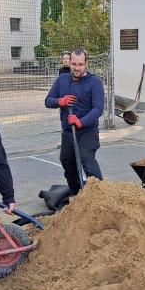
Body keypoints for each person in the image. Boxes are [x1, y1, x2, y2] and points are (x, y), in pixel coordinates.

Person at [44, 47, 104, 195]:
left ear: (86, 64)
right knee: (67, 161)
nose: (77, 68)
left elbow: (98, 109)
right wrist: (61, 101)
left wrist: (81, 121)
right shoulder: (62, 80)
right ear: (69, 63)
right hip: (67, 132)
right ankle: (77, 194)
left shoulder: (94, 82)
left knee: (86, 160)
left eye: (80, 64)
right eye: (74, 64)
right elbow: (48, 101)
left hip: (87, 131)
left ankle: (101, 195)